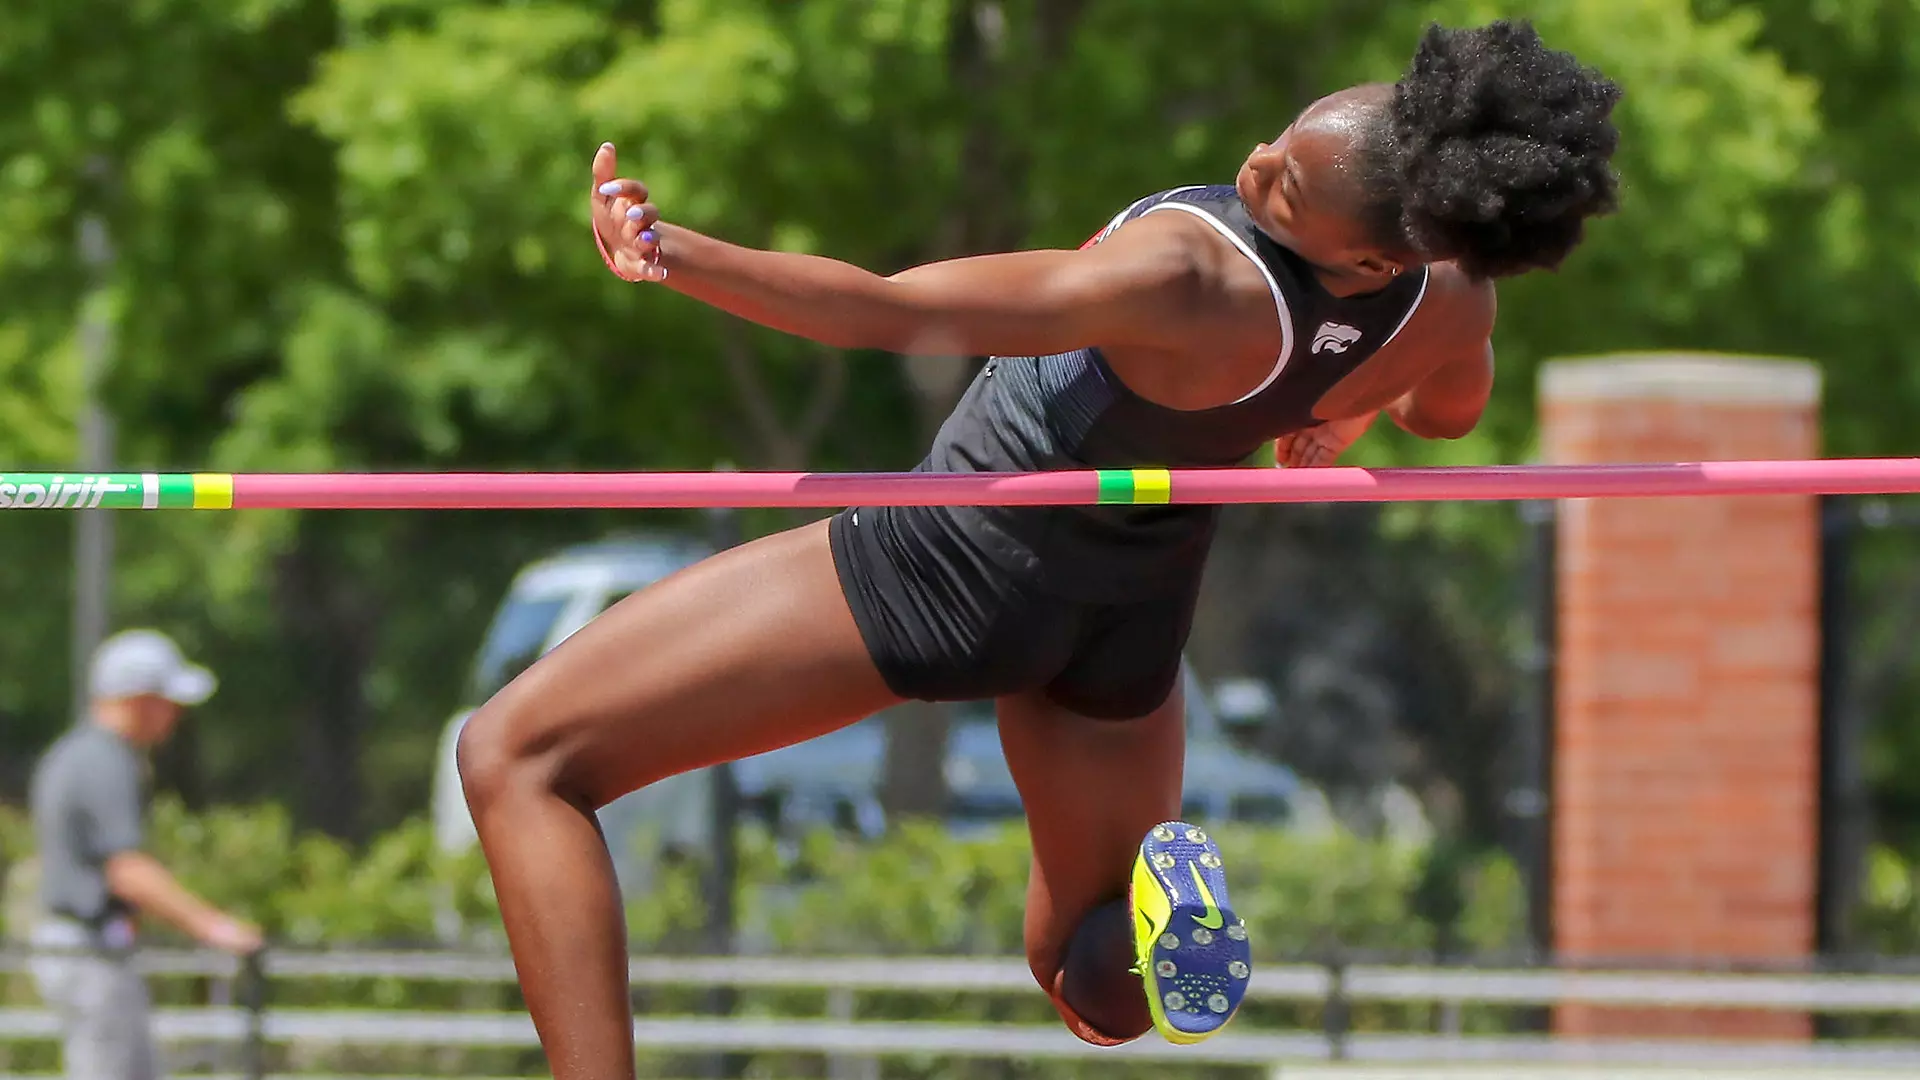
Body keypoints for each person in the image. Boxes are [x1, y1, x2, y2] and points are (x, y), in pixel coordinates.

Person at [456, 17, 1621, 1073]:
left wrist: (677, 253)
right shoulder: (1451, 292)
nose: (1258, 163)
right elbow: (1446, 412)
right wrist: (1344, 399)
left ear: (1371, 256)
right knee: (1084, 981)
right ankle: (1153, 927)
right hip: (1133, 610)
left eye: (1283, 183)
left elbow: (893, 310)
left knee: (520, 754)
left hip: (959, 558)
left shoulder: (1184, 276)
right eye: (1276, 143)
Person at [28, 629, 264, 1080]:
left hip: (89, 947)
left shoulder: (81, 753)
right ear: (138, 698)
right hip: (89, 949)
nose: (175, 714)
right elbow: (126, 869)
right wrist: (213, 926)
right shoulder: (102, 759)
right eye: (166, 699)